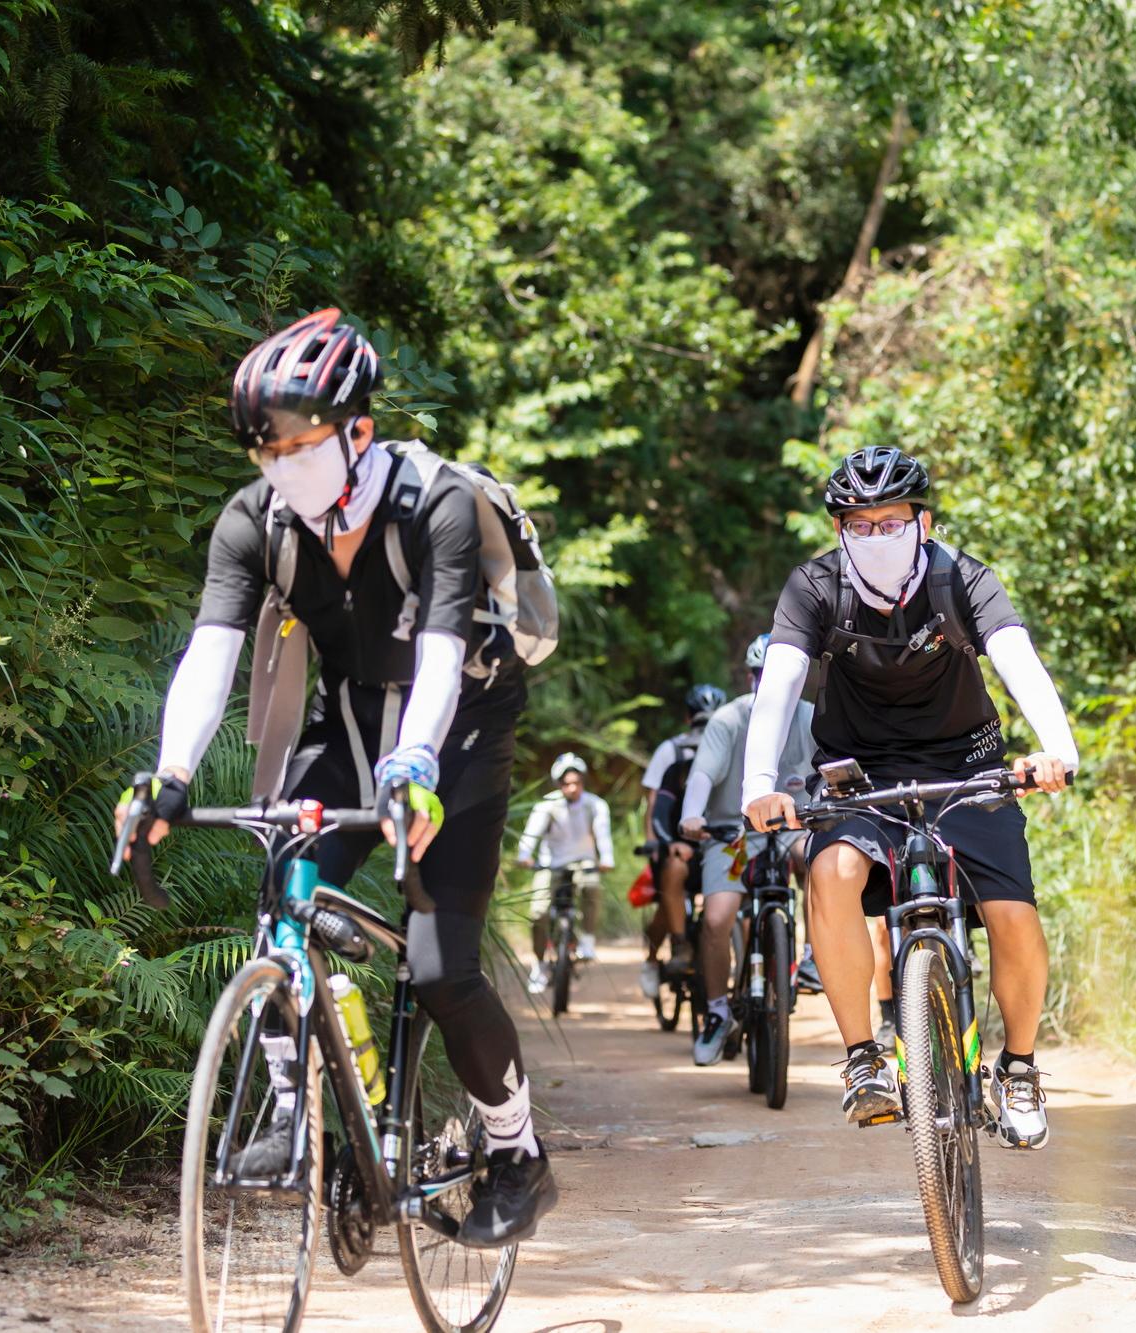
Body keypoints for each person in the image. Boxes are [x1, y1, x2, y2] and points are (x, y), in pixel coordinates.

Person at [115, 309, 556, 1244]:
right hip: (349, 721)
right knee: (284, 898)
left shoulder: (434, 502)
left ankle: (517, 1151)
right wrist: (170, 771)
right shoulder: (255, 520)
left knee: (439, 967)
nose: (281, 463)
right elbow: (210, 652)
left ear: (360, 428)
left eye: (299, 442)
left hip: (461, 728)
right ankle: (295, 1113)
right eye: (263, 447)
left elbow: (441, 657)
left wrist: (417, 766)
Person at [743, 446, 1077, 1149]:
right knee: (831, 872)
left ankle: (1018, 1069)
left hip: (967, 766)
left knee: (1013, 913)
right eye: (858, 524)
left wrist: (1057, 750)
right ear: (839, 529)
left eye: (891, 521)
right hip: (860, 774)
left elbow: (1017, 658)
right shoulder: (814, 587)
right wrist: (759, 785)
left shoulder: (963, 579)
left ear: (922, 521)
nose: (875, 536)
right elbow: (779, 682)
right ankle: (864, 1059)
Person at [677, 634, 815, 1065]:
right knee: (717, 919)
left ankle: (813, 955)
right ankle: (718, 1012)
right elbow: (703, 773)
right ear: (749, 677)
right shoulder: (728, 719)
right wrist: (692, 814)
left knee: (817, 859)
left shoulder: (812, 717)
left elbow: (829, 771)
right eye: (759, 674)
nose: (766, 683)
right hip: (733, 832)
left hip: (794, 827)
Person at [636, 683, 725, 999]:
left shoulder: (733, 753)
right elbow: (655, 805)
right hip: (677, 847)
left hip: (720, 847)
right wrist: (659, 845)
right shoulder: (672, 758)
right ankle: (667, 951)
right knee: (668, 892)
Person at [517, 752, 616, 993]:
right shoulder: (547, 806)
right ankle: (539, 964)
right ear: (559, 784)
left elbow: (602, 834)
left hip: (584, 862)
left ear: (583, 781)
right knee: (538, 912)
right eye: (567, 783)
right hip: (551, 863)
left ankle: (588, 941)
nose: (572, 788)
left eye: (577, 782)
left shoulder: (595, 805)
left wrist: (606, 859)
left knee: (591, 886)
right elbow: (530, 835)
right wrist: (524, 855)